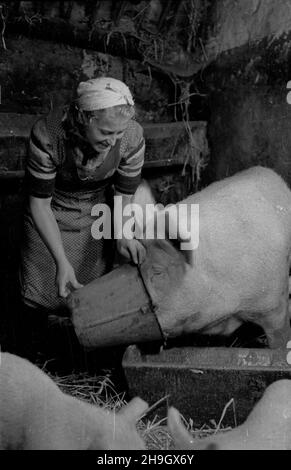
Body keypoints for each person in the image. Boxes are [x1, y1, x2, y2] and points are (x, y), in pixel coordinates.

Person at [18, 77, 146, 356]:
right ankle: (35, 362)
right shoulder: (48, 134)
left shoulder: (131, 137)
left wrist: (123, 234)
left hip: (95, 209)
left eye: (118, 133)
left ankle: (80, 361)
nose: (113, 140)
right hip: (50, 211)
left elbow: (124, 195)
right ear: (85, 118)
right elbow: (40, 204)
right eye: (105, 132)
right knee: (41, 291)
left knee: (89, 292)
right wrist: (61, 261)